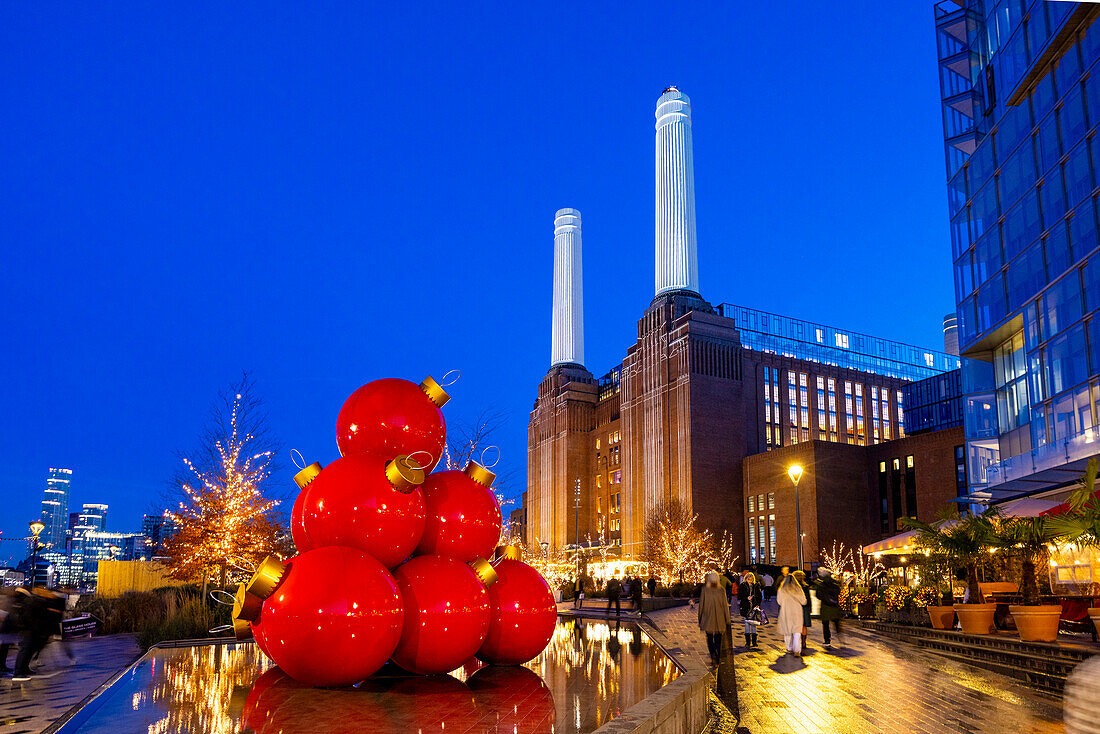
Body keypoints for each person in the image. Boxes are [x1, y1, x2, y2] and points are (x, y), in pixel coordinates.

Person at [698, 571, 731, 666]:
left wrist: (700, 618)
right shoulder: (721, 590)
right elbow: (725, 606)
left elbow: (701, 605)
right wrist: (727, 619)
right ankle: (718, 656)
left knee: (709, 638)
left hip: (707, 618)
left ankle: (713, 655)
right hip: (719, 618)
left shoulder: (705, 590)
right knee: (718, 639)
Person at [777, 574, 807, 657]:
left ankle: (789, 648)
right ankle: (797, 649)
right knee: (797, 631)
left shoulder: (782, 589)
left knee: (787, 630)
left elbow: (779, 601)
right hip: (797, 611)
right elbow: (804, 601)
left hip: (786, 611)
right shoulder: (798, 589)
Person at [815, 568, 843, 648]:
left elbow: (818, 596)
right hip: (834, 606)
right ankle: (839, 636)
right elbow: (838, 592)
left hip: (825, 607)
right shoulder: (835, 583)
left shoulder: (821, 585)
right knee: (836, 623)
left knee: (826, 624)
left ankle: (827, 640)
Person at [737, 572, 762, 647]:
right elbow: (739, 596)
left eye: (751, 579)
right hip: (745, 606)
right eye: (748, 579)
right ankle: (747, 642)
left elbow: (759, 596)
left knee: (754, 624)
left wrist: (758, 604)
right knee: (747, 623)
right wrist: (746, 598)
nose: (750, 581)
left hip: (754, 607)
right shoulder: (742, 585)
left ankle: (754, 642)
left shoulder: (756, 585)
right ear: (746, 579)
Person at [793, 570, 812, 648]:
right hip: (805, 608)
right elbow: (808, 599)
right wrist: (810, 608)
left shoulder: (793, 587)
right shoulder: (805, 586)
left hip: (796, 608)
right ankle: (804, 642)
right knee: (804, 625)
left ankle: (797, 641)